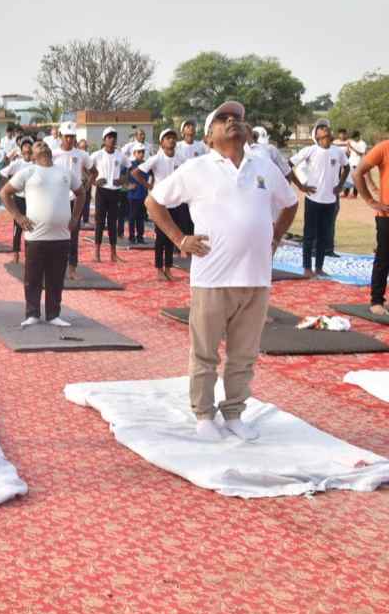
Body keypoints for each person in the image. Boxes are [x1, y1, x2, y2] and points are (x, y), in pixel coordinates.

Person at [146, 100, 298, 442]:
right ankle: (203, 414)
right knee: (205, 352)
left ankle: (234, 414)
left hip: (256, 278)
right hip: (212, 278)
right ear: (209, 136)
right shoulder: (197, 168)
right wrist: (178, 238)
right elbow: (153, 202)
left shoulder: (264, 167)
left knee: (243, 354)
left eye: (238, 119)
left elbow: (289, 203)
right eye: (223, 119)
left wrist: (274, 236)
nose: (233, 122)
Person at [0, 140, 84, 327]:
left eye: (45, 144)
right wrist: (18, 216)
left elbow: (81, 193)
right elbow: (4, 193)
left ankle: (54, 314)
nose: (43, 146)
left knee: (56, 278)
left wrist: (76, 217)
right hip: (35, 235)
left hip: (61, 235)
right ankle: (32, 314)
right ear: (32, 153)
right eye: (38, 145)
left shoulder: (65, 172)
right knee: (33, 278)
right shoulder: (28, 172)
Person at [289, 120, 348, 278]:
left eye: (328, 131)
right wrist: (301, 186)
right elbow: (288, 164)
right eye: (323, 131)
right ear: (317, 136)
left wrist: (340, 184)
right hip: (313, 199)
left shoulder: (338, 152)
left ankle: (319, 267)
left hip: (330, 201)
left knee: (324, 236)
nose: (327, 133)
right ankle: (307, 268)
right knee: (309, 235)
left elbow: (347, 167)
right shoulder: (310, 150)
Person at [133, 128, 187, 280]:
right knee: (161, 237)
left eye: (173, 138)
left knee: (171, 236)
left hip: (175, 202)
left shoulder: (181, 158)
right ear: (162, 142)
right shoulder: (156, 159)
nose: (171, 140)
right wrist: (149, 186)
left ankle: (168, 269)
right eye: (167, 138)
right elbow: (136, 172)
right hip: (159, 204)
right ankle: (158, 269)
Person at [353, 135, 389, 314]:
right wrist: (371, 200)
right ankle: (377, 301)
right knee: (384, 259)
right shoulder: (384, 147)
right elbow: (358, 172)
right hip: (387, 216)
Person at [53, 123, 94, 279]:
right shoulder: (53, 154)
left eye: (72, 136)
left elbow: (93, 171)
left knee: (73, 234)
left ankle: (72, 269)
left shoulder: (82, 154)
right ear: (61, 137)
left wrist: (87, 185)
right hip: (57, 200)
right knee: (56, 233)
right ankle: (56, 267)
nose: (69, 139)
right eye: (67, 136)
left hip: (75, 200)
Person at [90, 127, 126, 263]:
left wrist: (122, 179)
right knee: (99, 223)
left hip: (115, 191)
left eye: (114, 137)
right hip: (102, 191)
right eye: (109, 137)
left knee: (112, 223)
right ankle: (97, 254)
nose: (112, 139)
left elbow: (129, 168)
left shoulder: (120, 155)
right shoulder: (97, 154)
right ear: (104, 140)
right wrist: (94, 180)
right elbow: (85, 167)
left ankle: (113, 254)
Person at [2, 138, 35, 259]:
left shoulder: (36, 164)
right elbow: (3, 173)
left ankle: (29, 253)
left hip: (32, 199)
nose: (27, 149)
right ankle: (15, 253)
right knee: (18, 226)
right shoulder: (18, 163)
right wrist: (10, 187)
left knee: (31, 226)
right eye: (24, 146)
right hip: (19, 198)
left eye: (29, 146)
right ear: (21, 150)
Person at [125, 147, 148, 245]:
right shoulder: (130, 164)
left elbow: (153, 174)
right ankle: (131, 237)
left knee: (141, 218)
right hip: (133, 195)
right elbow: (122, 175)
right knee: (132, 217)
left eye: (143, 152)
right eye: (139, 152)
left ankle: (140, 237)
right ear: (134, 153)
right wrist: (127, 185)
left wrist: (150, 184)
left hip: (143, 194)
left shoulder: (146, 164)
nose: (141, 154)